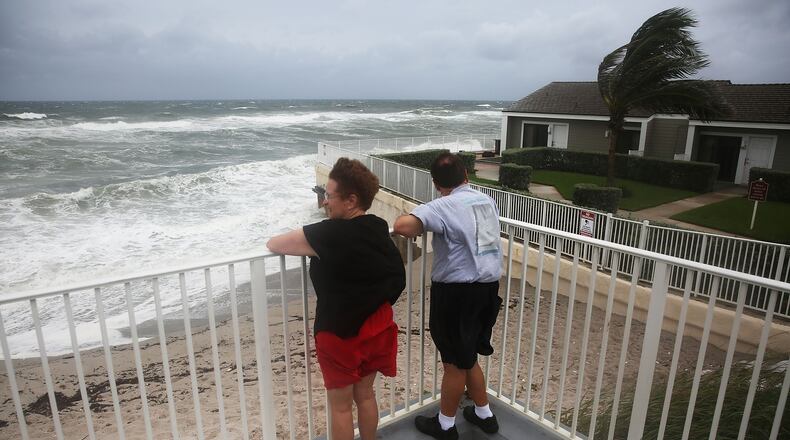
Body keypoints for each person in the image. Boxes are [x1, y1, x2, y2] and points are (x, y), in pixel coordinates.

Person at [267, 158, 405, 440]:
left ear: (351, 200)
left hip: (339, 335)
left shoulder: (327, 234)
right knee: (365, 396)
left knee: (341, 408)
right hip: (377, 328)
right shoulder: (378, 227)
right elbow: (397, 277)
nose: (324, 202)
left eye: (329, 196)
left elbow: (274, 244)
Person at [393, 152, 503, 440]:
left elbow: (403, 226)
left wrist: (418, 216)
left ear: (436, 183)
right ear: (465, 175)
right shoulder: (486, 200)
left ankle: (445, 425)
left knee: (454, 362)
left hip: (457, 294)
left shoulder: (441, 206)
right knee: (468, 356)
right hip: (488, 289)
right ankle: (484, 415)